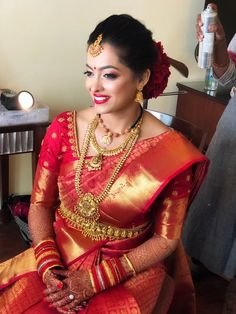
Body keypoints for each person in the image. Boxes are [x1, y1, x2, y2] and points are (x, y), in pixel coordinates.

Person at [0, 14, 208, 314]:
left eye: (109, 75)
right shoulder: (63, 128)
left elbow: (165, 240)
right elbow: (39, 205)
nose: (93, 86)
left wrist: (96, 280)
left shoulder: (172, 152)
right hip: (57, 254)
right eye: (89, 72)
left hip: (128, 269)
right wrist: (49, 266)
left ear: (142, 78)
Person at [182, 4, 236, 314]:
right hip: (233, 131)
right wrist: (217, 47)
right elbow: (228, 79)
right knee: (214, 204)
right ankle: (201, 261)